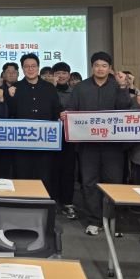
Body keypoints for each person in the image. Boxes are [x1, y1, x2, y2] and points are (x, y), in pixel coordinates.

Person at [65, 52, 131, 236]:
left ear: (110, 68)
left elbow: (126, 109)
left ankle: (113, 221)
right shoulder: (81, 87)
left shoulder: (117, 86)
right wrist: (67, 115)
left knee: (114, 182)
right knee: (89, 182)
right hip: (88, 145)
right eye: (97, 65)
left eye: (104, 65)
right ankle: (94, 220)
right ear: (92, 67)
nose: (100, 69)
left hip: (113, 146)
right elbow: (72, 109)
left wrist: (123, 87)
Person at [6, 54, 62, 196]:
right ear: (22, 69)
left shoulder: (49, 88)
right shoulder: (15, 88)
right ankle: (23, 205)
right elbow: (9, 114)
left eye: (33, 66)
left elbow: (56, 111)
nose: (30, 69)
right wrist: (10, 98)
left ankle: (44, 204)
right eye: (26, 66)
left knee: (45, 176)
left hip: (45, 143)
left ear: (38, 67)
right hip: (22, 143)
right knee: (22, 175)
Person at [51, 61, 77, 219]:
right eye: (57, 73)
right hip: (50, 137)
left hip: (69, 137)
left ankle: (68, 202)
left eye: (64, 73)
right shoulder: (48, 90)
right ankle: (52, 200)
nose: (61, 76)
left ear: (69, 75)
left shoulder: (75, 91)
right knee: (52, 169)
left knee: (68, 170)